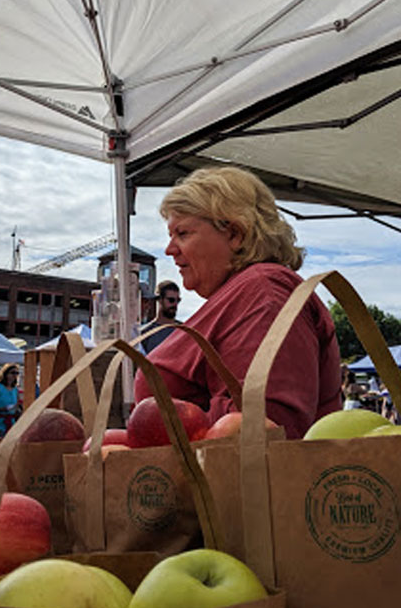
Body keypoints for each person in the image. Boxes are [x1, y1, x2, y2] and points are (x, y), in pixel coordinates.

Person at [135, 166, 342, 439]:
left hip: (229, 480)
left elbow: (265, 426)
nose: (170, 249)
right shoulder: (244, 292)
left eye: (182, 233)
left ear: (234, 234)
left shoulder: (264, 291)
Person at [139, 280, 182, 354]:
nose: (175, 304)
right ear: (160, 300)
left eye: (178, 300)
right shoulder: (145, 333)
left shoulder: (185, 331)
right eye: (171, 300)